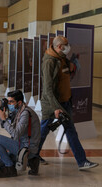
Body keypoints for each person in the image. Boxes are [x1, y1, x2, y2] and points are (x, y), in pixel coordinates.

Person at [37, 36, 99, 170]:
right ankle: (32, 155)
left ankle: (82, 161)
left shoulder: (61, 58)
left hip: (64, 102)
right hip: (53, 105)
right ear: (59, 47)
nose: (68, 46)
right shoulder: (49, 62)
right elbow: (47, 89)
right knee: (44, 131)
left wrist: (72, 65)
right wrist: (55, 107)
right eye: (66, 45)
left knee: (70, 131)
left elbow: (66, 73)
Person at [0, 90, 41, 177]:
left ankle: (10, 168)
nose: (9, 104)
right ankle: (32, 161)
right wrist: (3, 116)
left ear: (19, 102)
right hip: (21, 144)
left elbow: (15, 134)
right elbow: (4, 126)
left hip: (27, 148)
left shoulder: (25, 113)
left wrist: (4, 119)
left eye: (11, 102)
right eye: (8, 101)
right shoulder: (18, 111)